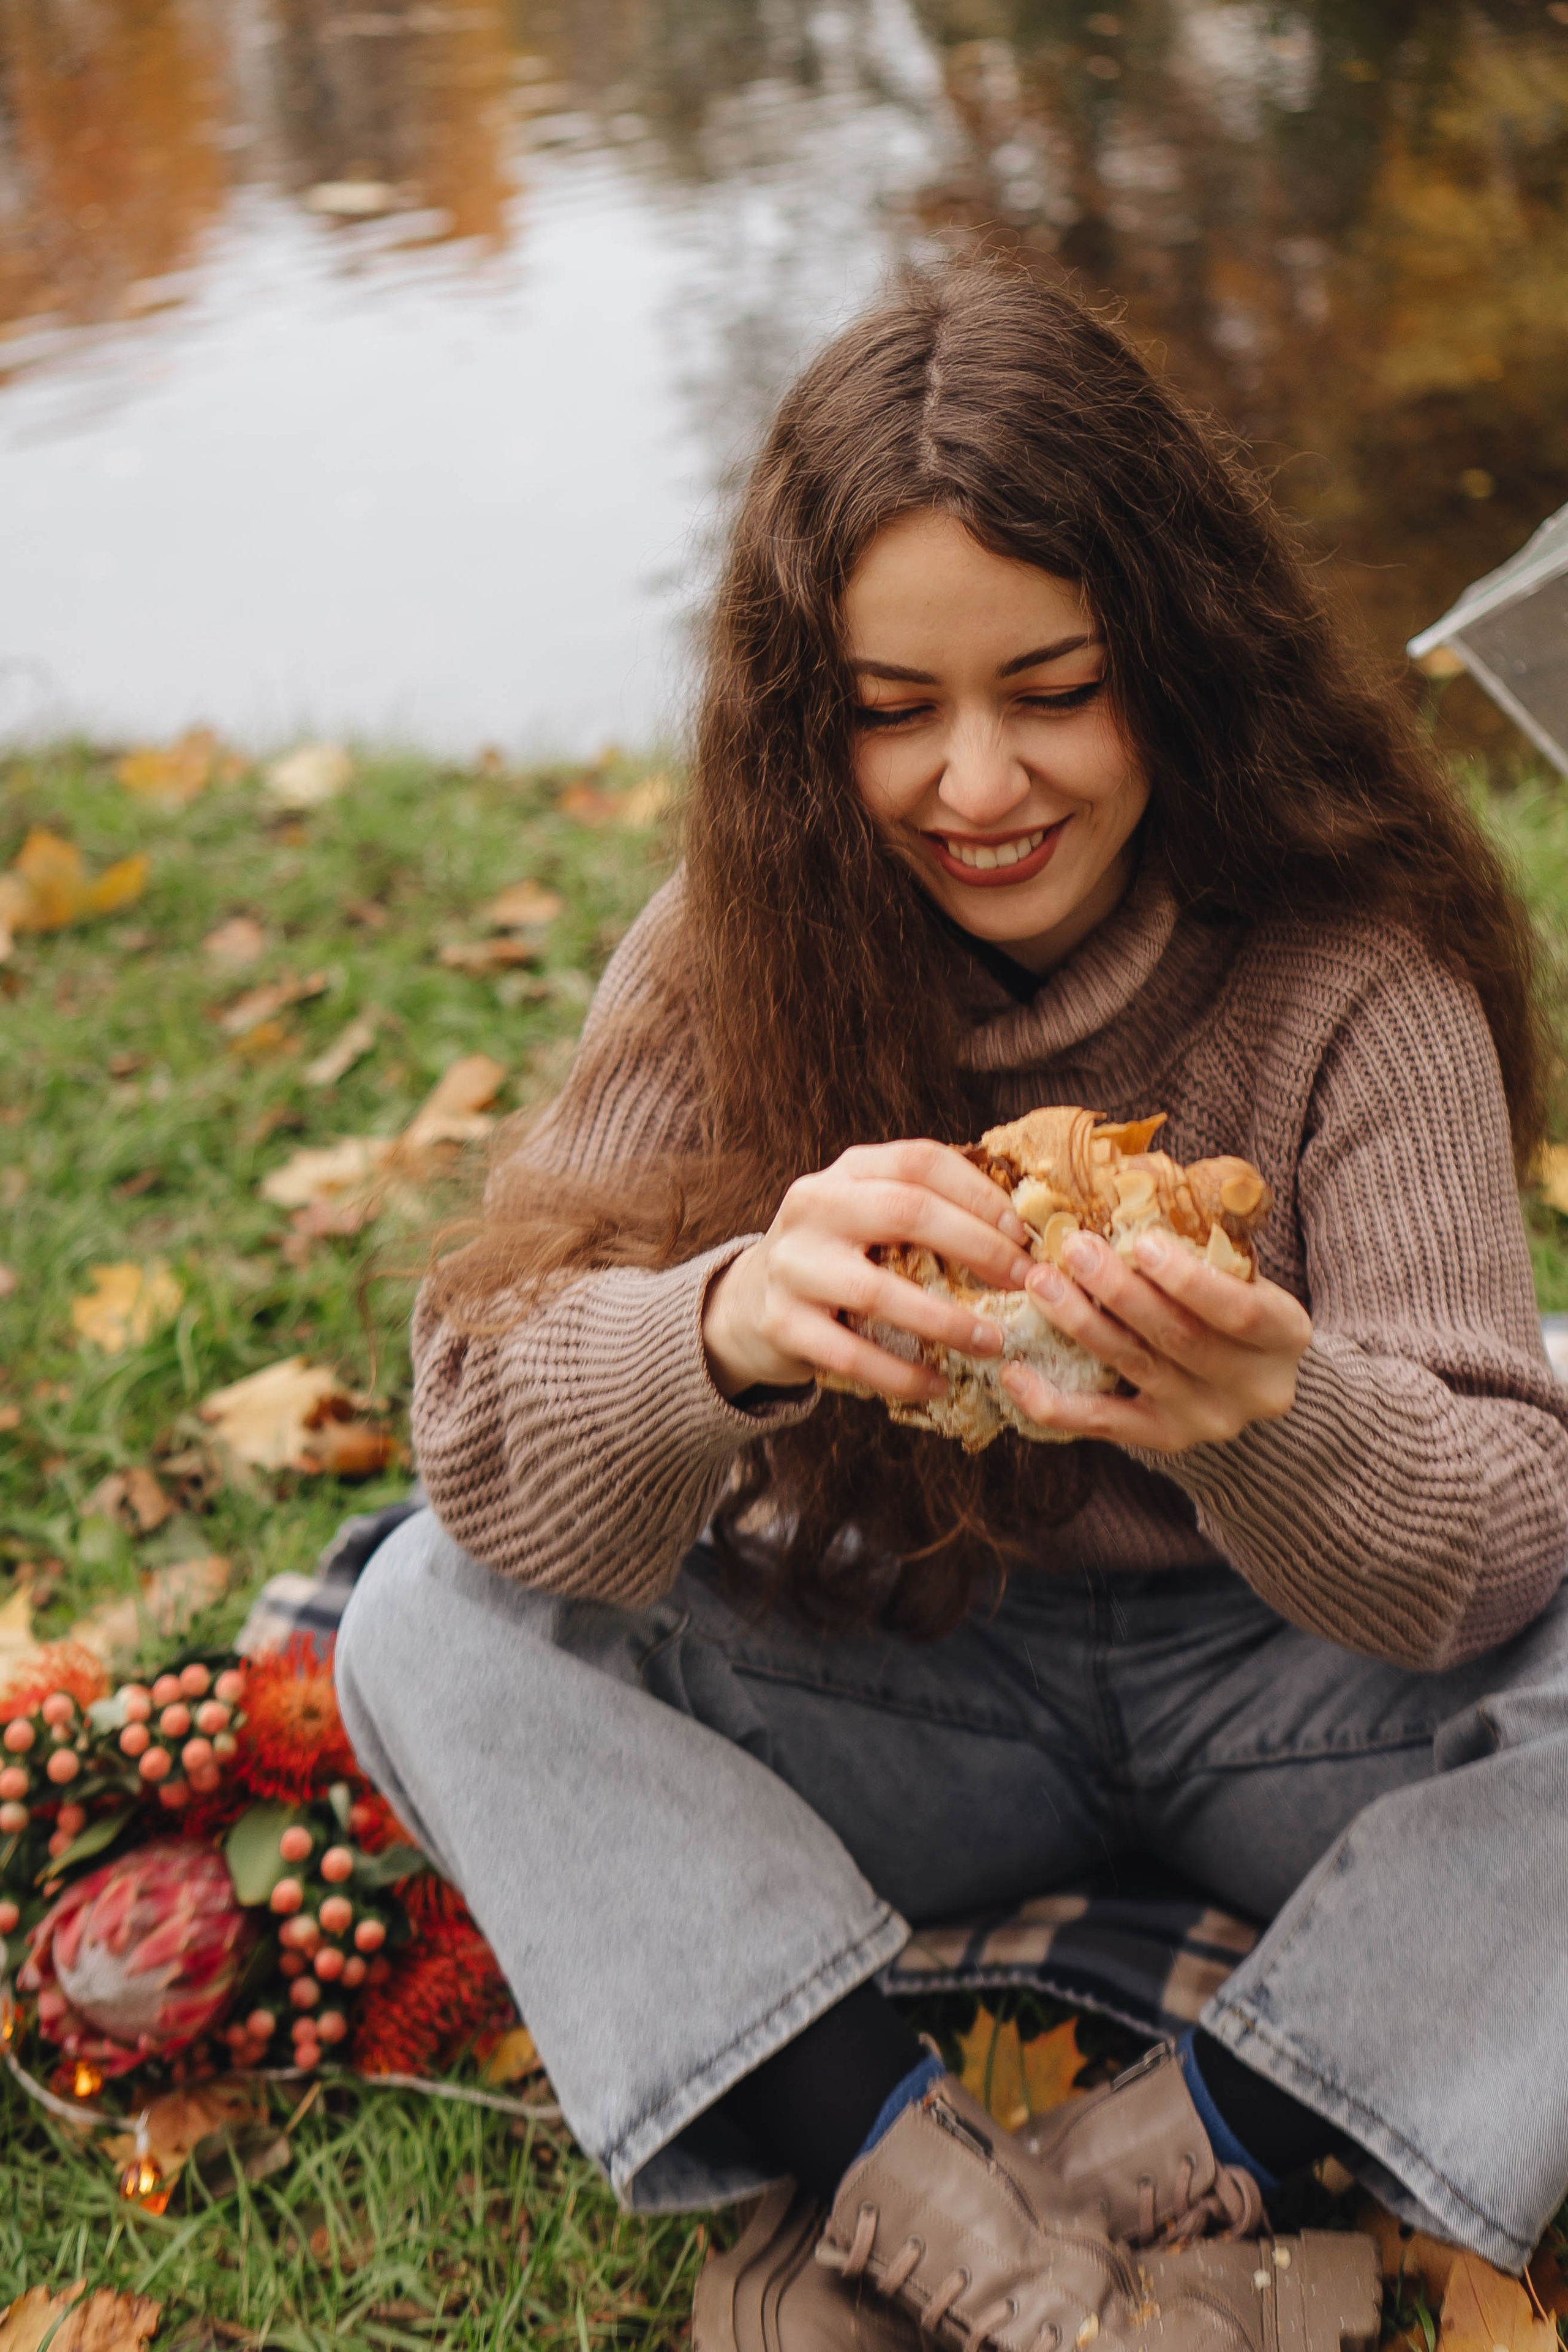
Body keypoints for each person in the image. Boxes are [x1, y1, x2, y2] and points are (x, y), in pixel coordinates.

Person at [334, 266, 1568, 2351]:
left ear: (1173, 658)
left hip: (1300, 1708)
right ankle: (898, 2161)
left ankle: (1181, 2146)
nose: (975, 782)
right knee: (421, 1620)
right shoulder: (738, 950)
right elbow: (486, 1446)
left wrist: (1282, 1415)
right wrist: (717, 1331)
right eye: (891, 708)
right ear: (801, 713)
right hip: (907, 1685)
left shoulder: (1360, 968)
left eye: (1053, 686)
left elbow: (1485, 1546)